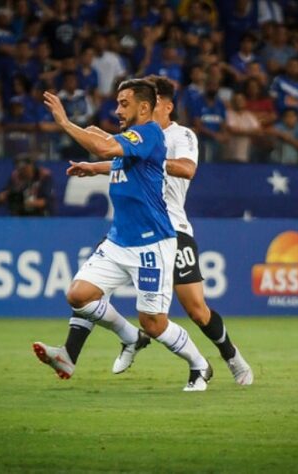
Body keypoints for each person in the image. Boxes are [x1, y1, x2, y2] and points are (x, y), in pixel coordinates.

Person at [64, 76, 254, 385]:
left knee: (196, 310)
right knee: (90, 288)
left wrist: (149, 158)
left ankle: (231, 355)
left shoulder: (180, 135)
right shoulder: (135, 136)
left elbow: (187, 169)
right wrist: (98, 166)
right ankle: (88, 350)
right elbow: (120, 158)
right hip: (134, 227)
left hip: (172, 228)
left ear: (164, 106)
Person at [35, 79, 213, 391]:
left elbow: (105, 145)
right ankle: (129, 336)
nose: (117, 109)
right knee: (78, 295)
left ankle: (199, 365)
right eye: (117, 103)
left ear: (144, 108)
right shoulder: (132, 139)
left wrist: (64, 123)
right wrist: (95, 164)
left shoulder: (149, 133)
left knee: (154, 323)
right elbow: (110, 148)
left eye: (124, 103)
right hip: (120, 241)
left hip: (152, 243)